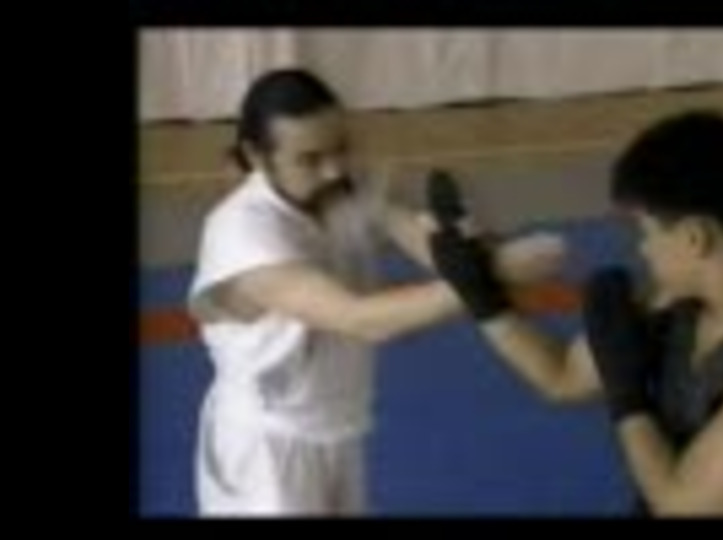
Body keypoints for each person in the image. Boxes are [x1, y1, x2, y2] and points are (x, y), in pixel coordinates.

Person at [187, 69, 564, 516]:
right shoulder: (241, 232)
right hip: (266, 449)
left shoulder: (347, 184)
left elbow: (426, 244)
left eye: (340, 148)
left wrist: (473, 249)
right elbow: (357, 318)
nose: (333, 169)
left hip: (337, 428)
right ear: (257, 156)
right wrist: (488, 275)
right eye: (309, 159)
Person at [426, 110, 723, 517]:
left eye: (645, 232)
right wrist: (482, 298)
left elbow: (679, 506)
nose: (641, 249)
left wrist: (627, 397)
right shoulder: (675, 301)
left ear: (694, 238)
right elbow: (561, 377)